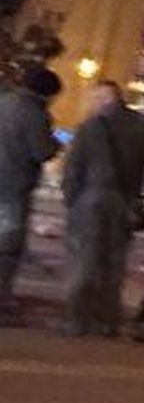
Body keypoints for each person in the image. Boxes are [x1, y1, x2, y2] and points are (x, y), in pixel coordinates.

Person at [60, 80, 144, 337]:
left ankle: (78, 321)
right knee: (114, 264)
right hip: (125, 204)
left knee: (85, 261)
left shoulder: (89, 127)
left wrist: (71, 201)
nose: (94, 103)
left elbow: (71, 169)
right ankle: (107, 322)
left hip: (89, 202)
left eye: (96, 98)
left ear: (105, 98)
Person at [0, 66, 62, 325]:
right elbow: (42, 152)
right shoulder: (36, 113)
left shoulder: (3, 102)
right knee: (7, 248)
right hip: (13, 187)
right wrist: (56, 143)